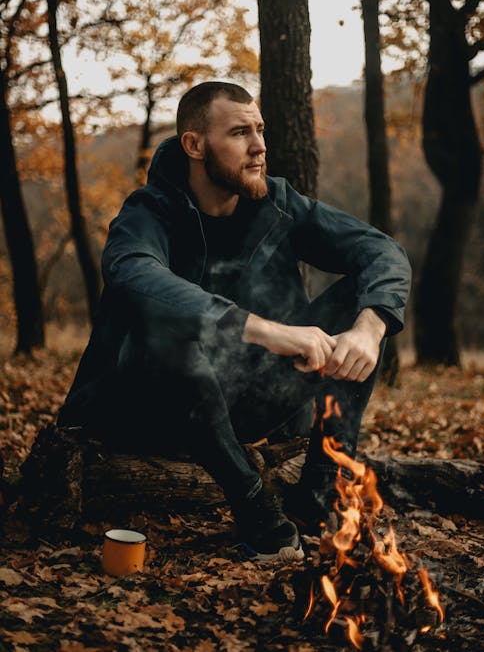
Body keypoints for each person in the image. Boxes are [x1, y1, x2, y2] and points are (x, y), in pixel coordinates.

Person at [57, 81, 411, 562]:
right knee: (169, 326)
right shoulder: (149, 212)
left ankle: (319, 495)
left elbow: (381, 251)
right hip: (144, 409)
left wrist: (369, 328)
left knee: (368, 307)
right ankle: (255, 511)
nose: (260, 145)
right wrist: (264, 328)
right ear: (195, 145)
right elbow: (133, 275)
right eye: (241, 132)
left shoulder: (280, 205)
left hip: (240, 401)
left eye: (260, 130)